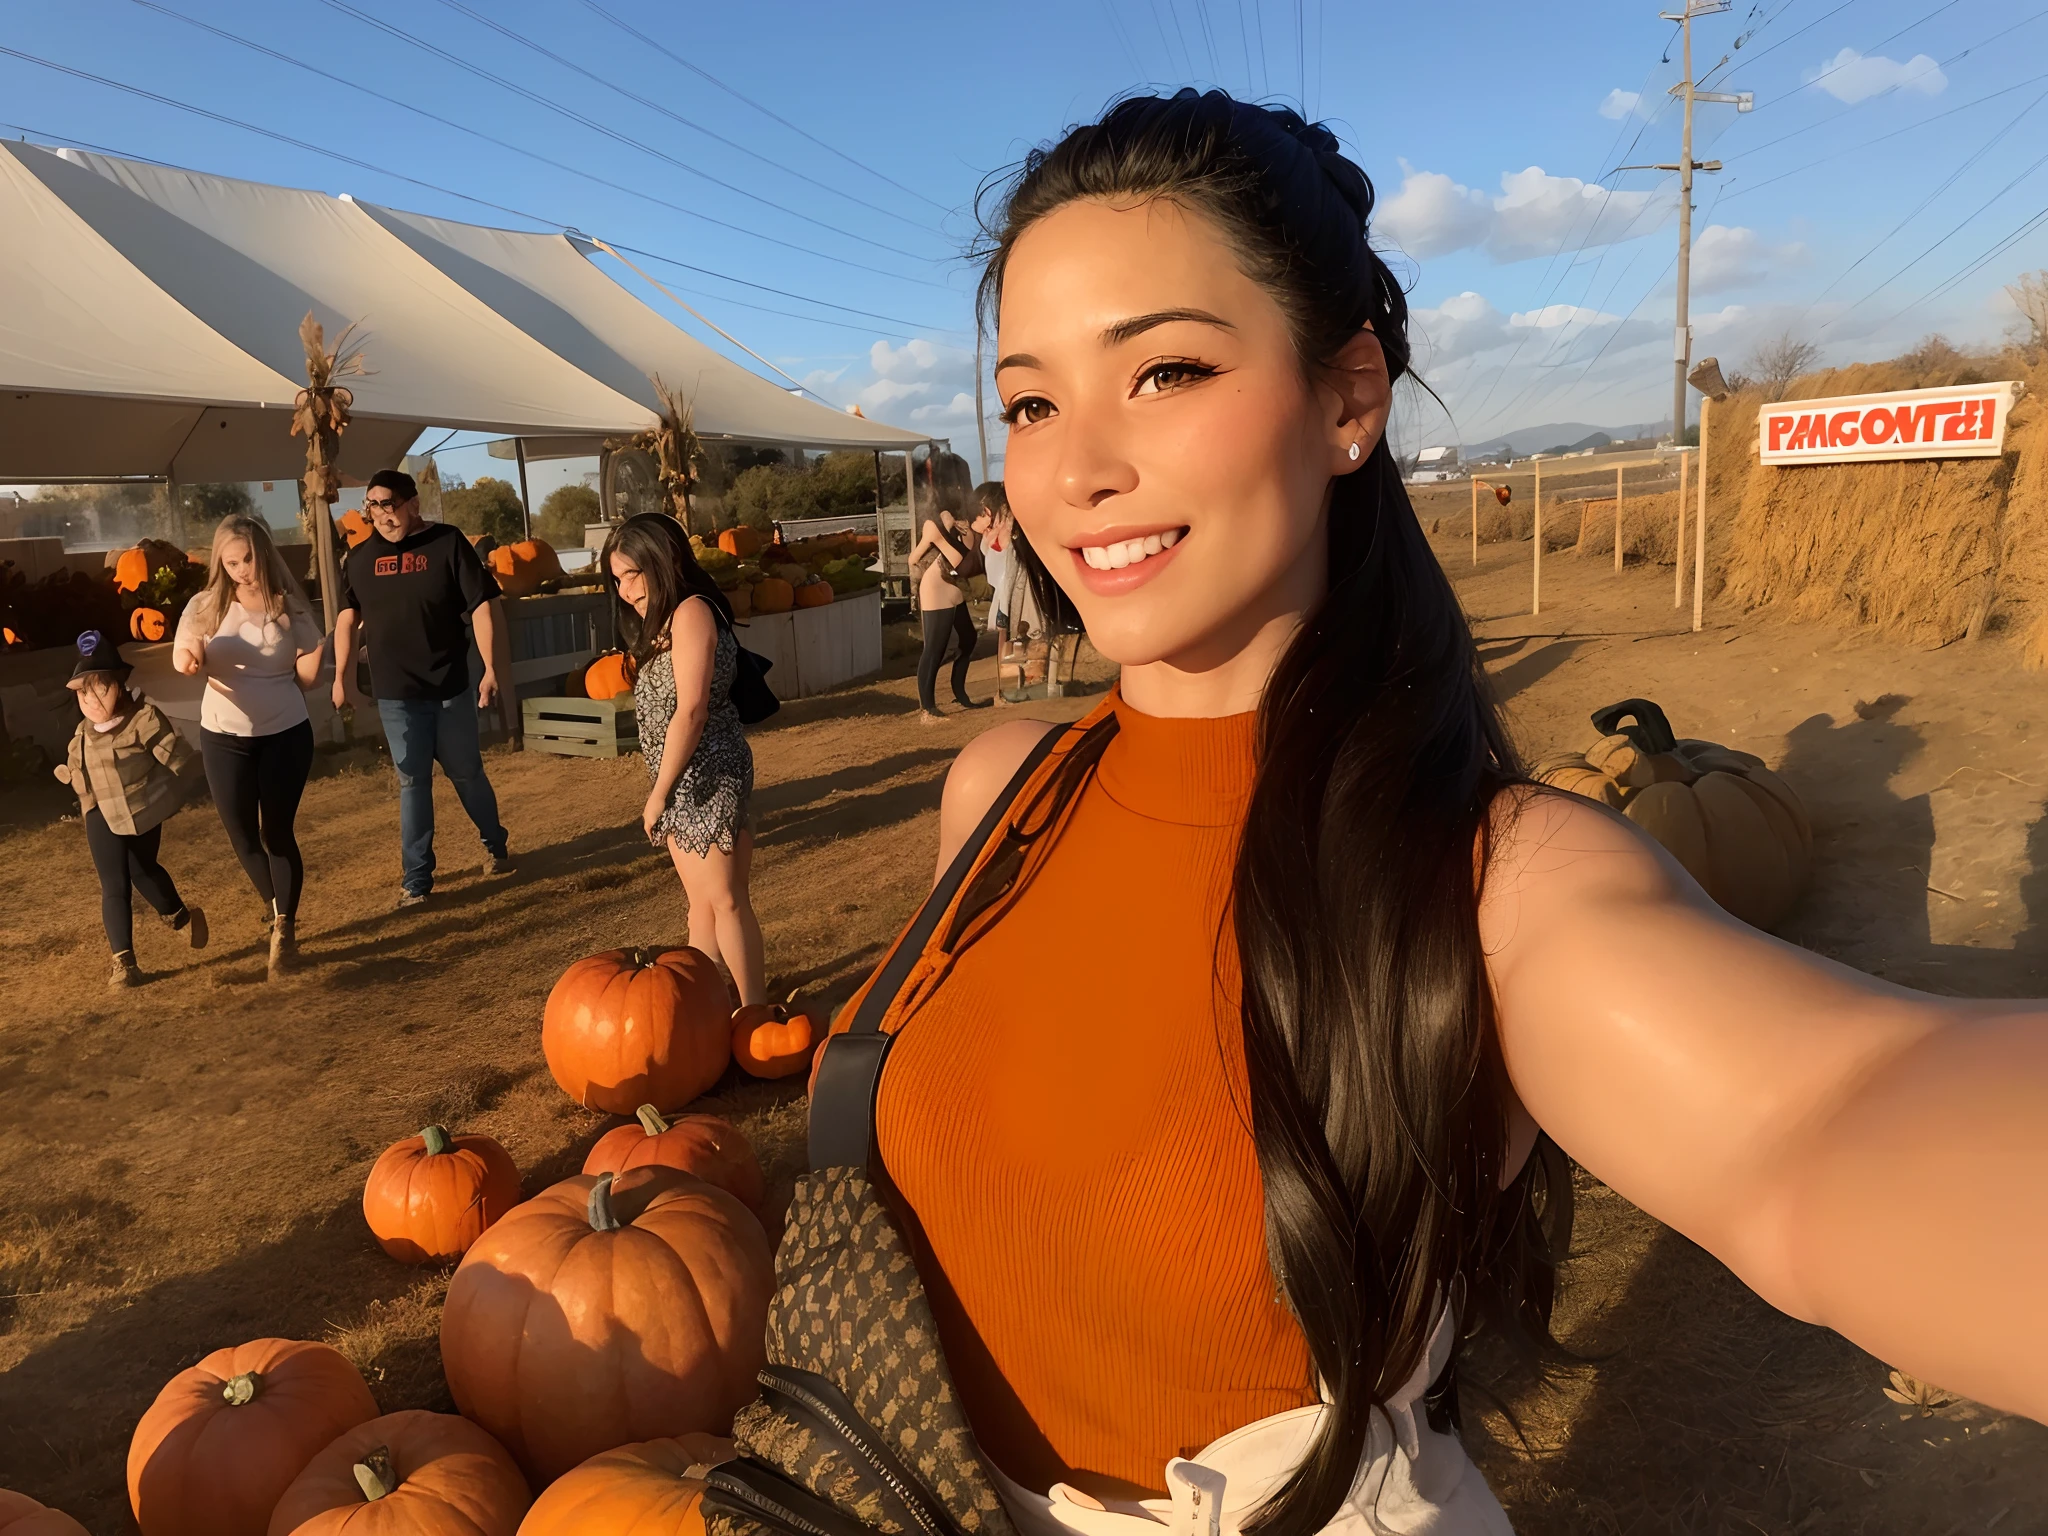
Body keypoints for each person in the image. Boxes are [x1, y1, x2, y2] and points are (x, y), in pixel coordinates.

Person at [816, 91, 2048, 1536]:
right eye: (1030, 401)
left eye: (1163, 372)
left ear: (1348, 401)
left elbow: (1825, 1120)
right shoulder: (1002, 795)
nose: (1074, 467)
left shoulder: (1493, 882)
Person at [603, 514, 765, 1006]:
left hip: (705, 774)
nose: (626, 590)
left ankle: (754, 1011)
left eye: (633, 574)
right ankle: (706, 1005)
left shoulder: (692, 612)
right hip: (686, 776)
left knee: (725, 900)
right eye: (617, 579)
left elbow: (691, 710)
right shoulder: (670, 620)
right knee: (704, 905)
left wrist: (657, 796)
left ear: (664, 559)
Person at [332, 469, 513, 907]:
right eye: (373, 505)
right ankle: (416, 882)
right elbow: (347, 619)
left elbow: (483, 607)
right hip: (397, 693)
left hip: (450, 686)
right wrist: (341, 678)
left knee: (467, 773)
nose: (382, 514)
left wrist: (491, 669)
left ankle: (495, 844)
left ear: (413, 504)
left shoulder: (448, 544)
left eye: (390, 504)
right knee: (412, 781)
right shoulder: (358, 559)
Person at [173, 515, 328, 978]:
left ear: (264, 553)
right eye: (232, 561)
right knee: (242, 834)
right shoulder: (205, 606)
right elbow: (183, 651)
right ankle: (275, 906)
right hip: (223, 737)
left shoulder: (291, 609)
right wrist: (190, 661)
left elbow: (304, 678)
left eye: (249, 559)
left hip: (285, 735)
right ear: (221, 561)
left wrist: (319, 655)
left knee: (276, 833)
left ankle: (284, 930)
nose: (242, 570)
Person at [53, 630, 207, 987]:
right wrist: (71, 777)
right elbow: (76, 767)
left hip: (142, 809)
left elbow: (177, 757)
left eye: (98, 687)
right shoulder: (82, 732)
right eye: (82, 691)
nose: (90, 699)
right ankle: (124, 965)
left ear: (118, 685)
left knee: (142, 870)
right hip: (99, 812)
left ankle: (180, 916)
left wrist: (212, 767)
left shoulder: (144, 719)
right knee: (114, 883)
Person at [908, 505, 990, 723]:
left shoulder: (971, 532)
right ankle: (928, 709)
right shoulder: (937, 528)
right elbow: (912, 559)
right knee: (935, 648)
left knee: (968, 639)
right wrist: (931, 544)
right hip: (936, 587)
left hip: (953, 586)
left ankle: (960, 695)